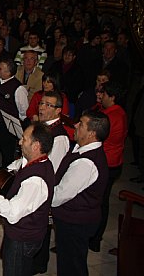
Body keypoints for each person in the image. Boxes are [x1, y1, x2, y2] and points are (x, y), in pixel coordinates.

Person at [0, 122, 54, 276]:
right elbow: (18, 165)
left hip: (22, 240)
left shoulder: (35, 181)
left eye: (24, 139)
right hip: (22, 235)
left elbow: (12, 213)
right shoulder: (37, 161)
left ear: (36, 146)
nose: (20, 141)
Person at [51, 110, 109, 276]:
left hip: (76, 222)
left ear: (91, 133)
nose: (75, 125)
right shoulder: (82, 149)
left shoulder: (86, 162)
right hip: (74, 219)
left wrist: (41, 195)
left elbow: (61, 195)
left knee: (72, 266)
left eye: (81, 124)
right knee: (69, 261)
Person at [30, 90, 71, 274]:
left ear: (58, 111)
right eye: (41, 103)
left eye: (48, 105)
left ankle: (39, 263)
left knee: (41, 225)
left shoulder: (59, 137)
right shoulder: (43, 127)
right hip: (35, 179)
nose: (42, 107)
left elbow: (52, 168)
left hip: (45, 185)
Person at [90, 81, 128, 252]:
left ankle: (95, 237)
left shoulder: (113, 116)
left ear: (112, 97)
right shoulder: (115, 112)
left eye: (103, 94)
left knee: (100, 202)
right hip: (112, 162)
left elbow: (96, 137)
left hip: (108, 164)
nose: (100, 97)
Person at [0, 58, 28, 176]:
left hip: (7, 125)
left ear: (8, 73)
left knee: (7, 152)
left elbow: (23, 110)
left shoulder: (18, 88)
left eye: (1, 69)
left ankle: (4, 177)